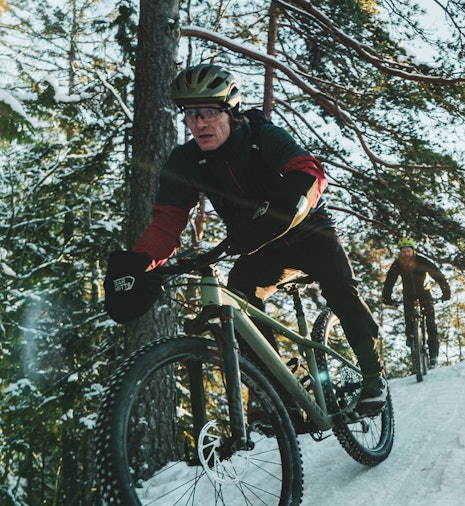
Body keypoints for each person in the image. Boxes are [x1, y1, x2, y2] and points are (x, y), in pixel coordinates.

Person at [104, 63, 386, 412]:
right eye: (191, 114)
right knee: (238, 300)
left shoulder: (261, 136)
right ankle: (279, 394)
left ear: (230, 111)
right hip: (258, 246)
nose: (199, 123)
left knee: (341, 288)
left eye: (209, 112)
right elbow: (167, 221)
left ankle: (374, 377)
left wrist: (286, 209)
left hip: (309, 231)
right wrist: (141, 262)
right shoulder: (186, 160)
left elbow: (310, 173)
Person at [381, 238, 451, 365]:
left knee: (430, 323)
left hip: (424, 293)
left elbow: (437, 274)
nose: (406, 254)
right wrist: (386, 296)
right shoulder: (398, 264)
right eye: (403, 252)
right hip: (408, 294)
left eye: (408, 251)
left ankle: (433, 354)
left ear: (413, 251)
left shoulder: (422, 261)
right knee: (408, 313)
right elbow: (390, 281)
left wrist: (446, 291)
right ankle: (411, 336)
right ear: (400, 253)